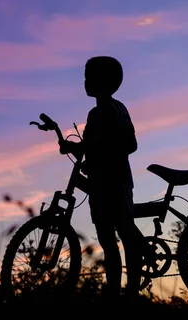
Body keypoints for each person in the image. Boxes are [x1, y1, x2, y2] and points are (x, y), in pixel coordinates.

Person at [58, 55, 145, 301]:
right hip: (99, 181)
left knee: (125, 234)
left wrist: (97, 151)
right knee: (107, 239)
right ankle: (114, 293)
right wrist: (74, 147)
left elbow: (130, 144)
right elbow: (90, 146)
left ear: (105, 81)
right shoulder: (95, 113)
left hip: (115, 181)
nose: (85, 81)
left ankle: (130, 293)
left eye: (90, 77)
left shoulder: (113, 109)